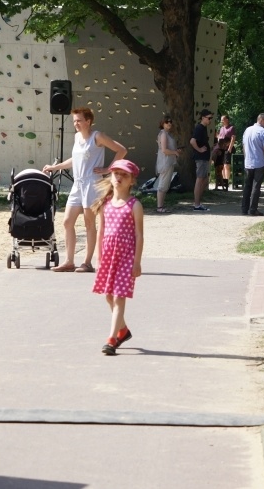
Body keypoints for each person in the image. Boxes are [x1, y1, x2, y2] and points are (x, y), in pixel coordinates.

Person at [43, 107, 127, 273]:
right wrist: (55, 167)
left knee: (89, 223)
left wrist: (108, 169)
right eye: (74, 121)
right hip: (78, 184)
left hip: (92, 184)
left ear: (88, 121)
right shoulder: (77, 137)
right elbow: (75, 159)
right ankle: (69, 261)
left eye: (79, 120)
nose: (76, 124)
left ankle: (87, 263)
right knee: (67, 221)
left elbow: (121, 150)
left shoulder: (97, 136)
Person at [91, 159, 144, 356]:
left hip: (126, 258)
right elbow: (101, 232)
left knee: (119, 297)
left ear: (132, 181)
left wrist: (137, 262)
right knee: (108, 296)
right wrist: (99, 258)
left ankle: (112, 339)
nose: (119, 177)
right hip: (108, 256)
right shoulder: (105, 204)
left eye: (124, 175)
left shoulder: (134, 205)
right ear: (111, 177)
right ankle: (123, 330)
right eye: (116, 174)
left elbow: (139, 235)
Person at [241, 113, 264, 216]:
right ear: (261, 120)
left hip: (248, 162)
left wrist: (246, 158)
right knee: (256, 187)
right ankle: (253, 209)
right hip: (259, 163)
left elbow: (244, 146)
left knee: (247, 186)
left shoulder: (247, 130)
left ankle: (244, 208)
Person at [155, 115, 181, 213]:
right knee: (162, 185)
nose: (169, 123)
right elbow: (164, 150)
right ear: (162, 123)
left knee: (165, 185)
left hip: (169, 161)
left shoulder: (168, 134)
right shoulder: (163, 134)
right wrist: (175, 152)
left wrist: (176, 151)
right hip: (165, 162)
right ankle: (159, 207)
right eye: (167, 122)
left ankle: (161, 205)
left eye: (170, 122)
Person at [190, 109, 213, 211]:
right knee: (200, 180)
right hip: (201, 158)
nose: (210, 120)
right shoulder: (199, 128)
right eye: (209, 118)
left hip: (204, 158)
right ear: (203, 118)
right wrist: (199, 149)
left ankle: (198, 203)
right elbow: (192, 141)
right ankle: (197, 204)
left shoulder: (203, 128)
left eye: (211, 118)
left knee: (204, 180)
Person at [217, 115, 236, 182]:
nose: (221, 121)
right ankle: (223, 181)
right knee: (222, 165)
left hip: (227, 149)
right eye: (221, 120)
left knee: (226, 165)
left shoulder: (231, 128)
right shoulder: (221, 128)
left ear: (227, 120)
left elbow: (233, 139)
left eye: (223, 119)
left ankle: (226, 181)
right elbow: (219, 137)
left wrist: (230, 148)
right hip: (221, 149)